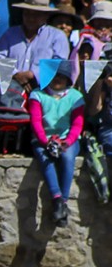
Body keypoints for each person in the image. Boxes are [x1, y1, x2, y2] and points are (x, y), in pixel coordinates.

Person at [28, 61, 84, 226]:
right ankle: (57, 198)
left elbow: (77, 124)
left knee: (67, 157)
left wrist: (66, 142)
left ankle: (63, 203)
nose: (57, 79)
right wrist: (46, 142)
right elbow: (36, 122)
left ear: (67, 78)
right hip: (43, 139)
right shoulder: (37, 95)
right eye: (53, 76)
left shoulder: (75, 97)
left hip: (68, 139)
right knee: (45, 158)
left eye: (61, 76)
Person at [0, 0, 72, 92]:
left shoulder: (57, 36)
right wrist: (15, 74)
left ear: (46, 16)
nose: (30, 18)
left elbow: (58, 61)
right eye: (27, 13)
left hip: (45, 91)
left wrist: (33, 74)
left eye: (36, 14)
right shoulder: (10, 34)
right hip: (12, 89)